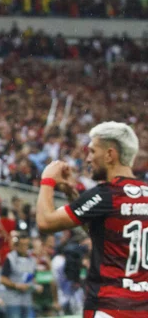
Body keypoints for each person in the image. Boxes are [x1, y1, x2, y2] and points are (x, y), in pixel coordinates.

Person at [36, 121, 146, 318]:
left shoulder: (107, 194)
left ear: (110, 155)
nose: (87, 159)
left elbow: (45, 223)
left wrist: (47, 180)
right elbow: (103, 232)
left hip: (110, 306)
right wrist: (73, 196)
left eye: (93, 152)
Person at [0, 233, 42, 318]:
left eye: (26, 245)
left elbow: (33, 278)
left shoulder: (32, 260)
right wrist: (16, 285)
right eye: (22, 245)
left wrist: (36, 286)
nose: (25, 247)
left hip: (27, 301)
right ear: (17, 245)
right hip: (13, 301)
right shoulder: (10, 258)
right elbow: (3, 279)